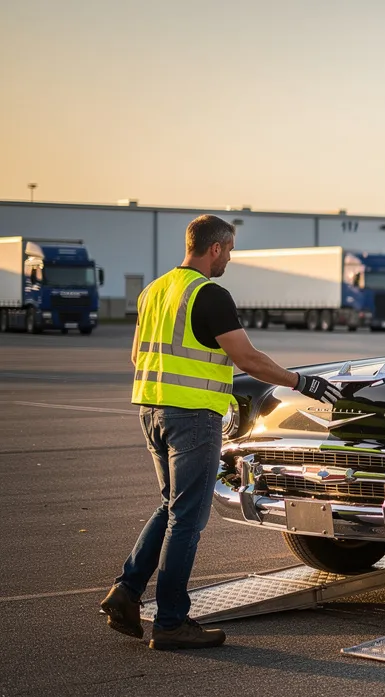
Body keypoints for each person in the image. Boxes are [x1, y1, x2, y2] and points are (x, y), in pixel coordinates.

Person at [99, 214, 342, 650]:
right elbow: (248, 359)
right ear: (214, 248)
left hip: (151, 411)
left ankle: (126, 592)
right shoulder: (209, 294)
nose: (229, 258)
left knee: (170, 505)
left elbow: (137, 356)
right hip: (193, 418)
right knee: (188, 518)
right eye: (229, 250)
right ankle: (171, 622)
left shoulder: (154, 290)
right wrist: (301, 382)